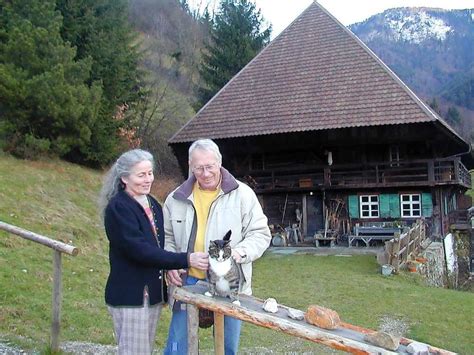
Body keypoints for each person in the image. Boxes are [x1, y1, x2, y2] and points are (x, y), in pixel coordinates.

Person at [163, 139, 272, 355]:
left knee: (227, 349)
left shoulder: (242, 194)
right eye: (199, 168)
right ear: (190, 166)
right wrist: (171, 264)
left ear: (219, 162)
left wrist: (238, 253)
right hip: (188, 281)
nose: (204, 173)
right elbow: (167, 238)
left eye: (210, 166)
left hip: (229, 284)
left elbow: (260, 234)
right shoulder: (175, 199)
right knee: (177, 347)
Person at [99, 149, 209, 355]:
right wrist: (186, 259)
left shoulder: (152, 203)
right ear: (124, 178)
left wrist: (169, 269)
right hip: (130, 297)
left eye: (150, 173)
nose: (148, 179)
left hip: (151, 295)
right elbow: (140, 251)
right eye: (141, 175)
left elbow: (160, 244)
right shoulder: (118, 208)